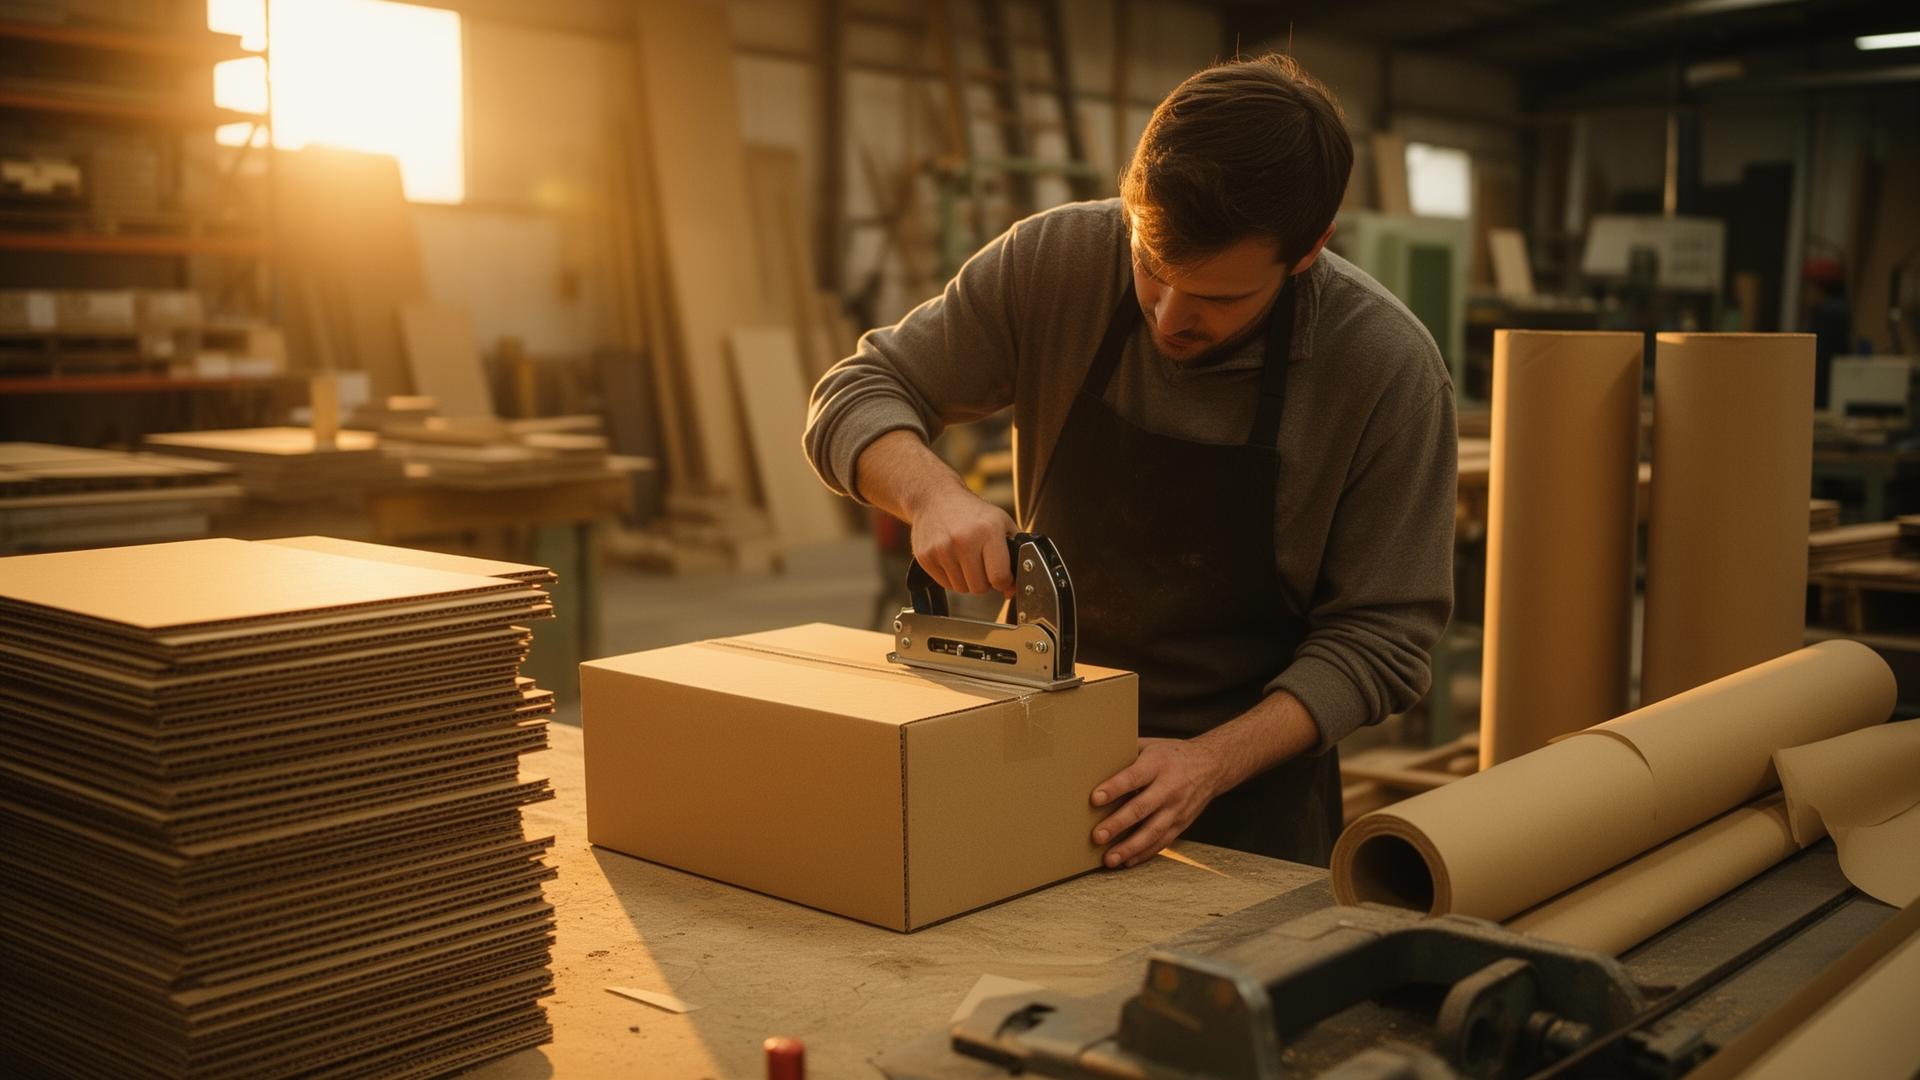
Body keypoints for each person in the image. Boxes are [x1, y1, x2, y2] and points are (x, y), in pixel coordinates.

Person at [803, 54, 1456, 869]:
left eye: (1218, 298)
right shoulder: (1059, 261)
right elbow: (858, 389)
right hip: (1032, 748)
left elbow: (1384, 638)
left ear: (1309, 248)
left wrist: (1208, 763)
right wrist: (933, 494)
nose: (1170, 317)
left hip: (1250, 807)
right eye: (1151, 266)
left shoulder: (1384, 367)